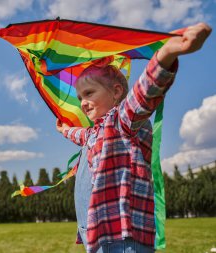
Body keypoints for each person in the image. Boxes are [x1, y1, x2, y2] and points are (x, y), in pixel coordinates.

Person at [56, 23, 212, 253]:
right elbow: (79, 135)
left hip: (125, 237)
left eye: (89, 93)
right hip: (100, 234)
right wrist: (63, 130)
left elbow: (144, 93)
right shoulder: (93, 133)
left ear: (117, 92)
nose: (83, 103)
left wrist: (166, 54)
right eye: (80, 97)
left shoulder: (122, 120)